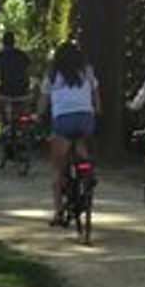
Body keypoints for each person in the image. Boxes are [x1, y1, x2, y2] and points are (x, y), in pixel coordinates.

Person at [39, 40, 99, 223]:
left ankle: (58, 213)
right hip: (85, 118)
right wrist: (97, 109)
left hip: (63, 120)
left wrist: (38, 115)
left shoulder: (52, 73)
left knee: (57, 168)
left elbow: (43, 100)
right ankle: (87, 172)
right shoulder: (86, 70)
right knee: (81, 145)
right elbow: (96, 91)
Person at [0, 32, 36, 132]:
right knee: (25, 106)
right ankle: (23, 125)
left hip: (4, 91)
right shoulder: (23, 55)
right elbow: (30, 71)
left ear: (3, 43)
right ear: (14, 42)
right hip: (22, 91)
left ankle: (2, 123)